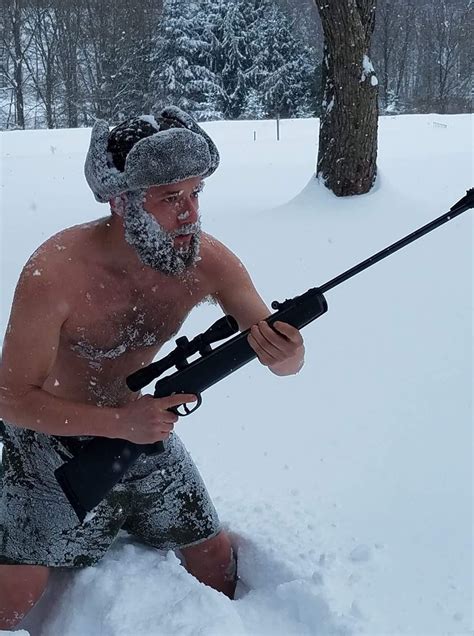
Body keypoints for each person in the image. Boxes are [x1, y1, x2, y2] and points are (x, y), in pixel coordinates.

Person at [0, 106, 305, 628]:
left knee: (215, 564)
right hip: (49, 438)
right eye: (169, 198)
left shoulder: (208, 260)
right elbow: (9, 398)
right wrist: (119, 423)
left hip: (144, 434)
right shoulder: (56, 270)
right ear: (122, 202)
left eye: (195, 193)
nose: (190, 214)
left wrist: (288, 351)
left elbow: (281, 355)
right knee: (10, 603)